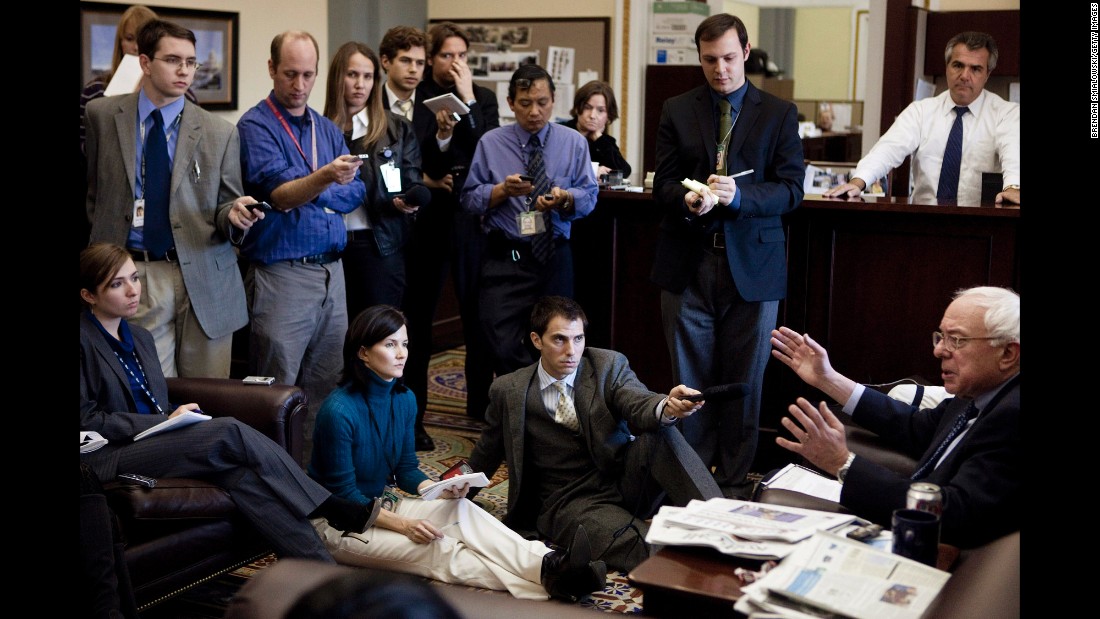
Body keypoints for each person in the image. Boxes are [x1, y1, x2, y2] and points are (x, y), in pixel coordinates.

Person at [79, 243, 385, 566]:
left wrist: (174, 417)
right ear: (88, 295)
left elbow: (148, 396)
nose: (132, 290)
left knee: (243, 478)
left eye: (134, 278)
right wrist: (163, 421)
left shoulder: (140, 336)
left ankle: (322, 574)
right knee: (227, 431)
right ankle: (329, 505)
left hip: (158, 440)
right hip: (108, 455)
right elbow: (88, 419)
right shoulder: (84, 341)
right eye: (117, 284)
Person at [308, 304, 606, 602]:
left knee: (461, 511)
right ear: (363, 353)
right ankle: (556, 579)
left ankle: (551, 563)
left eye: (405, 343)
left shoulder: (405, 399)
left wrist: (438, 490)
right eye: (390, 344)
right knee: (440, 547)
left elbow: (406, 467)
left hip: (384, 504)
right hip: (339, 525)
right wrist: (405, 525)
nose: (401, 353)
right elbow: (344, 495)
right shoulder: (339, 411)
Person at [650, 13, 805, 500]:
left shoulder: (778, 112)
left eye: (729, 58)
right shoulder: (677, 108)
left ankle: (735, 484)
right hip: (689, 261)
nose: (720, 70)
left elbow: (792, 190)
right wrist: (687, 199)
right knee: (689, 381)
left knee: (745, 381)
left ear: (746, 51)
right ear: (700, 57)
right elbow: (663, 184)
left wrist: (739, 198)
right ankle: (694, 484)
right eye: (710, 60)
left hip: (752, 266)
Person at [467, 296, 723, 573]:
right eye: (559, 340)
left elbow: (637, 399)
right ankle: (697, 567)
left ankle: (726, 526)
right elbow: (486, 452)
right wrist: (455, 494)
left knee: (661, 435)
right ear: (536, 340)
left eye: (578, 339)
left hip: (624, 477)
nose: (571, 351)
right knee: (636, 542)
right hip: (570, 501)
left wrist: (666, 406)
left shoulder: (606, 365)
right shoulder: (509, 390)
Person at [768, 285, 1020, 548]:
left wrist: (842, 463)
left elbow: (955, 514)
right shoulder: (979, 391)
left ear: (1007, 354)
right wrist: (828, 379)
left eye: (957, 339)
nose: (939, 350)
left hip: (932, 546)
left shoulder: (1012, 417)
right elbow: (916, 427)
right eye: (941, 337)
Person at [85, 18, 261, 380]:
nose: (185, 71)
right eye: (172, 60)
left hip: (206, 272)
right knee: (151, 395)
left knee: (207, 395)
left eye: (191, 61)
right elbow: (94, 196)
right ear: (145, 63)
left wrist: (236, 216)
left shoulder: (220, 132)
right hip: (136, 273)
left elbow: (228, 202)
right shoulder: (101, 115)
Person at [236, 30, 367, 466]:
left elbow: (357, 192)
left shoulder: (325, 128)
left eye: (308, 75)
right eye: (290, 74)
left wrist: (315, 186)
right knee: (275, 390)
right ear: (272, 69)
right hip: (283, 274)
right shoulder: (256, 126)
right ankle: (270, 483)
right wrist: (326, 179)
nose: (299, 85)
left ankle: (311, 485)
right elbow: (281, 196)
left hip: (334, 272)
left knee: (326, 387)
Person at [460, 65, 599, 376]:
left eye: (543, 102)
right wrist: (501, 191)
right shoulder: (491, 143)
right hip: (507, 257)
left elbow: (589, 196)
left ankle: (545, 415)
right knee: (503, 344)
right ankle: (521, 405)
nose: (535, 111)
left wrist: (565, 198)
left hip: (554, 256)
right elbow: (469, 198)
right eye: (525, 103)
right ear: (511, 103)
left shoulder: (573, 142)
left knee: (560, 343)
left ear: (553, 100)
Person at [403, 21, 500, 449]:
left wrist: (470, 100)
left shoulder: (486, 98)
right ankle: (416, 415)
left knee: (478, 313)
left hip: (474, 214)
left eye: (461, 55)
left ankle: (479, 405)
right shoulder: (419, 96)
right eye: (445, 55)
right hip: (431, 214)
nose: (454, 62)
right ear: (432, 57)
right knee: (419, 318)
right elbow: (418, 155)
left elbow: (489, 148)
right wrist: (441, 136)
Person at [824, 32, 1020, 206]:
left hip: (980, 226)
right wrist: (857, 182)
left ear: (987, 74)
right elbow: (886, 150)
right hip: (925, 218)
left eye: (975, 69)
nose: (964, 76)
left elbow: (1013, 154)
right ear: (947, 67)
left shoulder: (1006, 114)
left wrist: (1013, 187)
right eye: (958, 65)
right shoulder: (921, 111)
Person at [323, 41, 428, 316]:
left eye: (367, 77)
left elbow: (413, 180)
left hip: (379, 244)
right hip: (329, 246)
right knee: (336, 339)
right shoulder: (318, 128)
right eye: (352, 75)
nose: (360, 84)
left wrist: (407, 201)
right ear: (337, 78)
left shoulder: (397, 128)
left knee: (378, 335)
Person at [79, 5, 199, 157]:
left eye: (144, 40)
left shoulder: (185, 95)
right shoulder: (94, 90)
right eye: (130, 39)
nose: (137, 46)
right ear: (120, 43)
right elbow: (84, 148)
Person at [561, 80, 631, 181]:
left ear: (608, 116)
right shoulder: (562, 132)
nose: (593, 116)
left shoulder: (604, 141)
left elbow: (624, 171)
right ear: (577, 109)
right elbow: (559, 168)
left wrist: (598, 138)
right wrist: (592, 171)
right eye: (587, 108)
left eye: (601, 110)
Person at [378, 26, 428, 122]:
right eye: (405, 61)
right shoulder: (369, 104)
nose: (413, 69)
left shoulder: (432, 106)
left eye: (420, 63)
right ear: (385, 62)